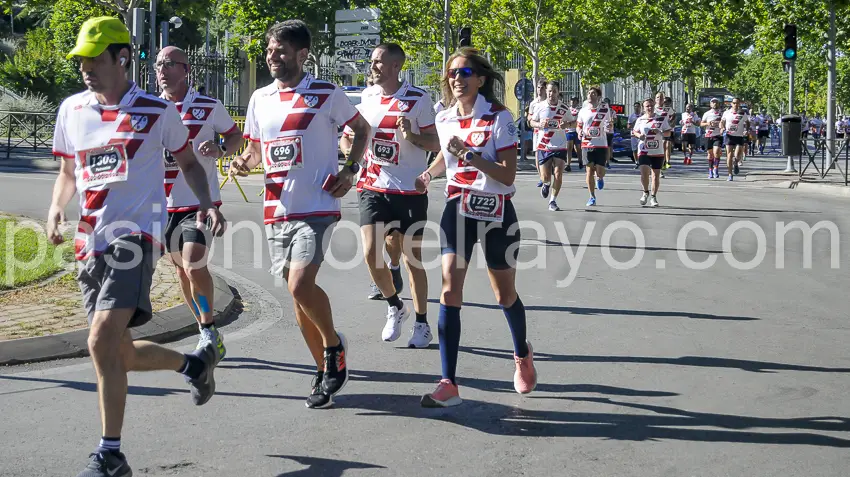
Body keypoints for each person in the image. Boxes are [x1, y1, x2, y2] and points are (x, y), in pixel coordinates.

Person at [48, 17, 226, 477]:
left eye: (95, 58)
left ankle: (110, 454)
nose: (86, 68)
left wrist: (206, 205)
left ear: (121, 57)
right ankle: (192, 365)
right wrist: (55, 209)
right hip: (91, 240)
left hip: (136, 238)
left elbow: (189, 162)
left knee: (100, 340)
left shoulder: (154, 110)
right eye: (81, 60)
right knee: (117, 353)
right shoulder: (71, 110)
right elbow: (69, 172)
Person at [230, 20, 372, 409]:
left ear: (301, 54)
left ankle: (333, 346)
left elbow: (362, 129)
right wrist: (243, 161)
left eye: (279, 51)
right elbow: (256, 150)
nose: (271, 57)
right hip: (277, 209)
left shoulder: (326, 93)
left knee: (299, 285)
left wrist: (350, 169)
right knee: (299, 300)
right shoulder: (260, 98)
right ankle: (323, 371)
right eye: (269, 51)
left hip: (318, 207)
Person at [416, 47, 536, 407]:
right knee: (450, 288)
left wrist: (469, 155)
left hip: (498, 210)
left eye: (465, 72)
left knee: (504, 295)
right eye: (452, 73)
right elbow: (444, 153)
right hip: (459, 207)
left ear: (481, 79)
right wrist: (430, 173)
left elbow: (507, 173)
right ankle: (448, 382)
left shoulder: (500, 117)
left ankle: (521, 354)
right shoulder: (444, 118)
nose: (457, 78)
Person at [339, 43, 439, 347]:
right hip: (372, 186)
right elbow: (348, 136)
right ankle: (395, 306)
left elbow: (436, 143)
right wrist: (352, 158)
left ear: (396, 66)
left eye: (379, 62)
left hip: (408, 190)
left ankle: (421, 322)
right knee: (371, 253)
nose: (373, 67)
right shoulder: (367, 97)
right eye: (372, 61)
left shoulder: (418, 99)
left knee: (412, 259)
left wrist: (412, 136)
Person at [157, 46, 243, 361]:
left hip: (199, 202)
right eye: (158, 65)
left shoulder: (208, 106)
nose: (161, 70)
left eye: (168, 64)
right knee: (182, 271)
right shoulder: (151, 109)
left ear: (186, 69)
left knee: (194, 262)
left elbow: (236, 137)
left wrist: (221, 148)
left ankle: (208, 327)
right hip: (162, 204)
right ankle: (205, 329)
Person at [529, 81, 574, 211]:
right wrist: (538, 125)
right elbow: (531, 122)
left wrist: (567, 125)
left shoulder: (564, 109)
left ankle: (553, 201)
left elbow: (574, 123)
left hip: (560, 145)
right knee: (545, 176)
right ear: (546, 92)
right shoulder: (539, 106)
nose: (551, 94)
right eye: (549, 91)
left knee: (558, 173)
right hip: (544, 145)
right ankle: (546, 183)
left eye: (554, 91)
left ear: (558, 92)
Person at [576, 86, 612, 206]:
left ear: (598, 97)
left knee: (600, 171)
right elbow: (579, 125)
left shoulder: (604, 110)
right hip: (587, 144)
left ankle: (600, 178)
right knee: (589, 170)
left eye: (593, 94)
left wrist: (609, 127)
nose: (591, 95)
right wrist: (579, 131)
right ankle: (592, 196)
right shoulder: (583, 111)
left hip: (600, 144)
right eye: (589, 93)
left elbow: (609, 124)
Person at [633, 98, 671, 207]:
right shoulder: (640, 120)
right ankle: (645, 192)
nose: (649, 108)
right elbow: (634, 131)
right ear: (643, 108)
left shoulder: (660, 119)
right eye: (647, 106)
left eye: (651, 105)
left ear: (654, 106)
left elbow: (668, 133)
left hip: (657, 150)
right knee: (644, 172)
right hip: (644, 149)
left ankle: (653, 197)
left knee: (655, 175)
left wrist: (660, 132)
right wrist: (639, 135)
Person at [720, 97, 750, 181]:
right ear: (731, 104)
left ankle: (736, 163)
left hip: (739, 136)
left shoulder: (742, 113)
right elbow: (722, 122)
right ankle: (730, 174)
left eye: (737, 103)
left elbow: (747, 122)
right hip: (729, 135)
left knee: (737, 155)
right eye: (734, 103)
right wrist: (722, 128)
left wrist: (746, 130)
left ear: (739, 104)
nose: (735, 104)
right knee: (729, 155)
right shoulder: (726, 113)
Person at [527, 79, 548, 187]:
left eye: (542, 88)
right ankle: (541, 178)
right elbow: (529, 116)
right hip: (537, 131)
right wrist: (532, 119)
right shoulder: (533, 103)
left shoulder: (549, 102)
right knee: (537, 154)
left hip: (549, 132)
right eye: (538, 87)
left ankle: (547, 174)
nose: (540, 90)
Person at [701, 98, 723, 179]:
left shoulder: (722, 113)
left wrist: (722, 126)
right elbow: (701, 123)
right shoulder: (707, 113)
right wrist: (708, 123)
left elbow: (725, 122)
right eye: (713, 102)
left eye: (716, 102)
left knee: (716, 152)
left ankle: (716, 168)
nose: (715, 104)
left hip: (718, 135)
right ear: (710, 104)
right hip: (708, 135)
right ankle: (710, 170)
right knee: (710, 154)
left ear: (718, 104)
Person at [565, 96, 583, 170]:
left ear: (577, 102)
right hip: (569, 131)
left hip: (576, 131)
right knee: (569, 148)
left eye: (574, 101)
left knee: (578, 148)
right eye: (571, 100)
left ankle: (580, 161)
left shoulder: (579, 110)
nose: (572, 102)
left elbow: (579, 120)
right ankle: (568, 165)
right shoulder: (567, 109)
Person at [628, 101, 641, 167]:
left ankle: (641, 161)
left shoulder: (643, 115)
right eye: (635, 107)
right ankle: (636, 162)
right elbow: (628, 126)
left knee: (640, 148)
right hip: (633, 134)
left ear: (640, 107)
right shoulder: (631, 116)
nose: (636, 108)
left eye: (638, 106)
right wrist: (635, 121)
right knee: (634, 149)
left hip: (640, 134)